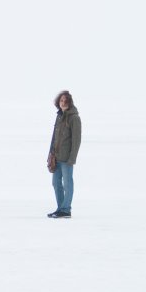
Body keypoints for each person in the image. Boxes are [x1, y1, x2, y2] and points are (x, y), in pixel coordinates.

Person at [47, 90, 81, 218]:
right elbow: (54, 137)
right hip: (56, 157)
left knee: (67, 183)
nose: (63, 103)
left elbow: (76, 140)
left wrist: (72, 158)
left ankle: (66, 209)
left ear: (70, 102)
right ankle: (60, 208)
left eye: (66, 100)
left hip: (67, 159)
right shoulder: (59, 116)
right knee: (56, 183)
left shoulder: (74, 118)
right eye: (61, 100)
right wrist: (50, 154)